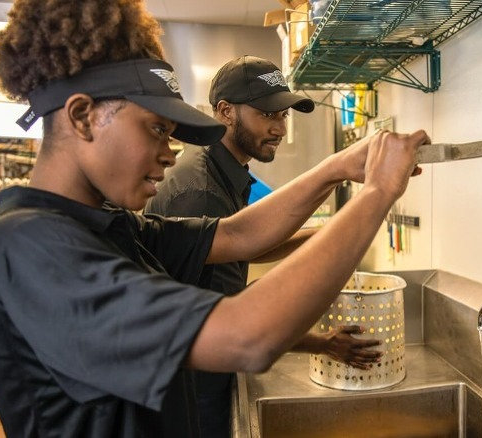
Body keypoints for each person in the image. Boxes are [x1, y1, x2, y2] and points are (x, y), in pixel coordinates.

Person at [0, 0, 428, 436]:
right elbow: (248, 337)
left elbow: (239, 235)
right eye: (157, 129)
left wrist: (339, 167)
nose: (169, 155)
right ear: (83, 117)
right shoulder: (28, 248)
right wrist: (377, 193)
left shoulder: (108, 224)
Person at [144, 56, 382, 437]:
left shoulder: (223, 172)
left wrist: (331, 232)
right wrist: (322, 343)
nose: (279, 129)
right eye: (267, 115)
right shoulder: (200, 192)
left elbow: (242, 244)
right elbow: (238, 323)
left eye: (284, 116)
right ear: (225, 112)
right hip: (193, 386)